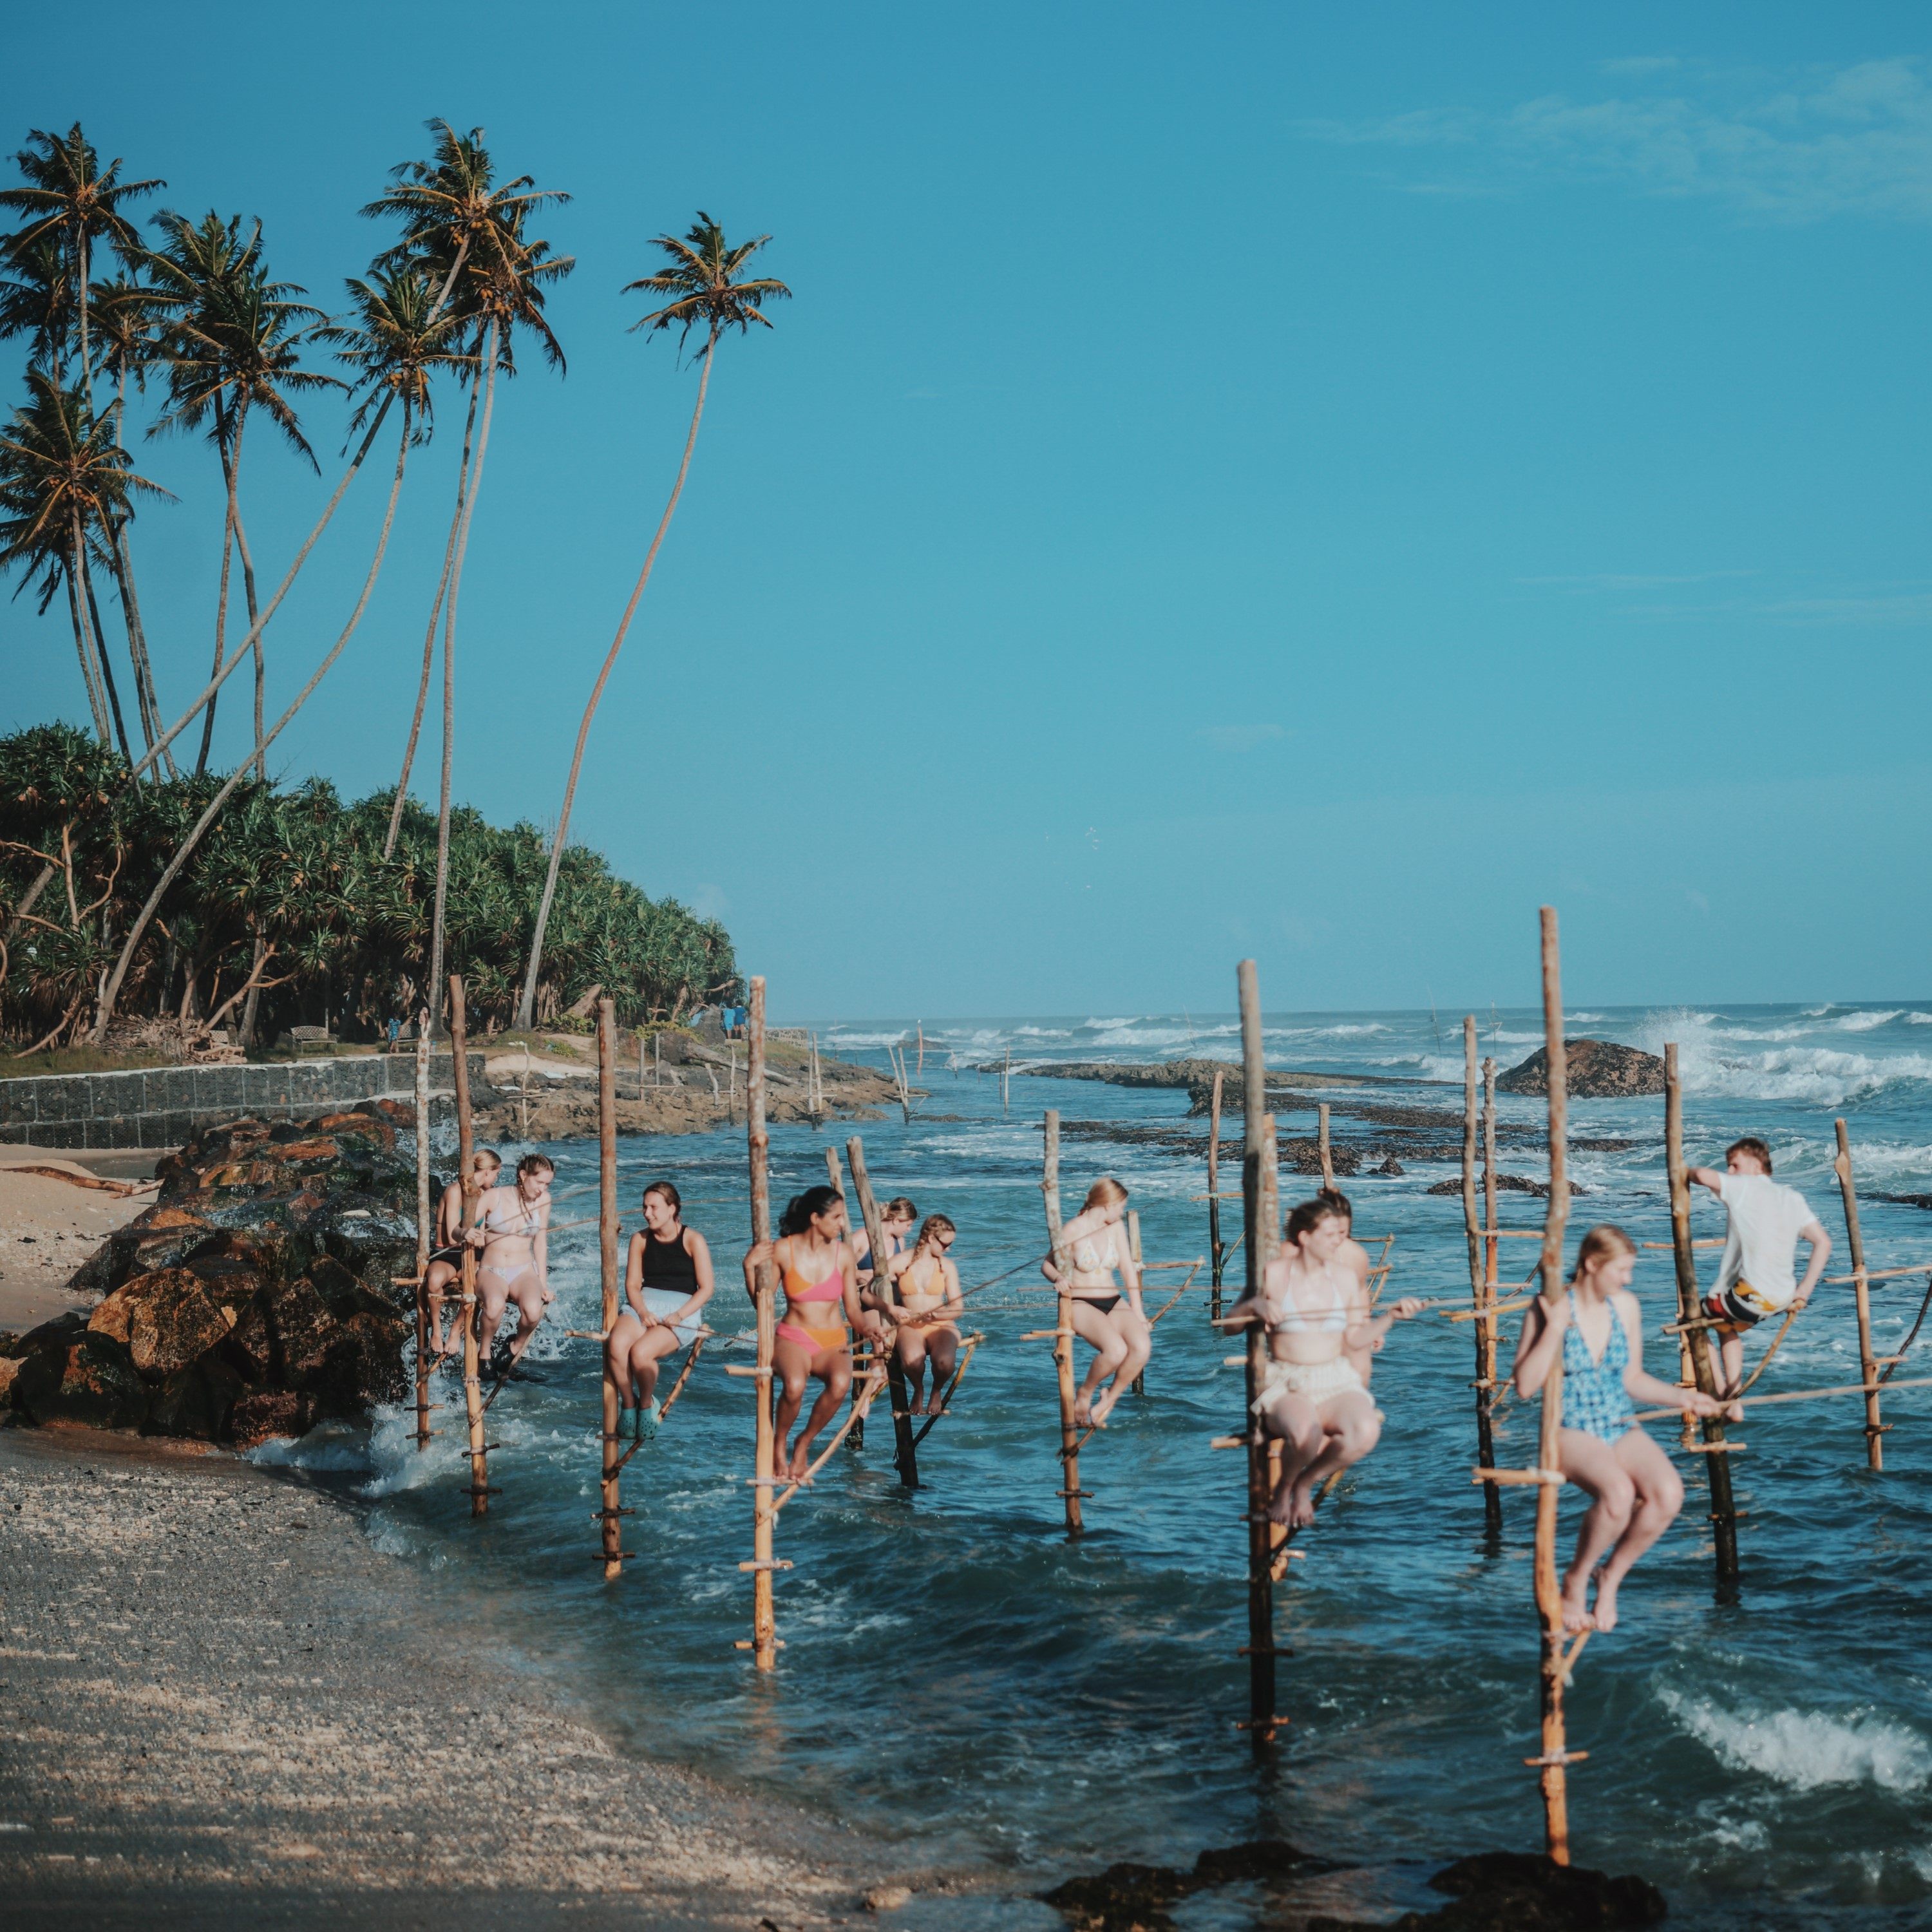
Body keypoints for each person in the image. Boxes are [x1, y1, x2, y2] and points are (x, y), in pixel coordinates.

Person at [1513, 1224, 1723, 1631]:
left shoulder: (1625, 1306)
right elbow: (1524, 1386)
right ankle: (1576, 1578)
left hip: (1617, 1419)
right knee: (1619, 1494)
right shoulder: (1548, 1308)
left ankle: (1609, 1578)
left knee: (1668, 1495)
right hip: (1568, 1426)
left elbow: (1632, 1380)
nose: (1628, 1280)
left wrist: (1687, 1398)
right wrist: (1555, 1329)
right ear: (1592, 1265)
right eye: (1622, 1270)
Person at [1227, 1197, 1428, 1529]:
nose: (1340, 1242)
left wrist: (1390, 1317)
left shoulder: (1346, 1278)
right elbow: (1230, 1326)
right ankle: (1283, 1491)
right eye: (1332, 1234)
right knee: (1307, 1433)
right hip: (1288, 1383)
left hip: (1335, 1380)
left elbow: (1354, 1340)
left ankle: (1303, 1484)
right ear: (1305, 1237)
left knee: (1366, 1431)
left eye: (1342, 1234)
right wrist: (1256, 1306)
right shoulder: (1273, 1274)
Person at [744, 1184, 883, 1481]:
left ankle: (803, 1442)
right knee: (794, 1385)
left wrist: (870, 1329)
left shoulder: (844, 1255)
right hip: (793, 1338)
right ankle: (779, 1442)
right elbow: (763, 1304)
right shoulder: (783, 1250)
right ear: (815, 1219)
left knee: (842, 1382)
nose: (843, 1224)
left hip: (833, 1341)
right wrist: (748, 1267)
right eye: (837, 1217)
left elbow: (854, 1312)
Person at [1687, 1137, 1831, 1419]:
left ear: (1756, 1165)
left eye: (1734, 1164)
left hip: (1751, 1296)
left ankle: (1725, 1398)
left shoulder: (1744, 1186)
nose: (1729, 1171)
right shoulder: (1792, 1197)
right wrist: (1804, 1290)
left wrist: (1683, 1172)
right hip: (1783, 1297)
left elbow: (1703, 1176)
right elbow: (1823, 1243)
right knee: (1725, 1326)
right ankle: (1734, 1393)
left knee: (1695, 1321)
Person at [605, 1181, 715, 1441]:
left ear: (672, 1209)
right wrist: (642, 1312)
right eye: (645, 1207)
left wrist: (679, 1315)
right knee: (617, 1345)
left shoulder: (693, 1239)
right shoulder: (640, 1239)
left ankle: (646, 1404)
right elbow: (632, 1284)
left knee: (641, 1354)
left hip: (681, 1309)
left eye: (654, 1207)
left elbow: (706, 1288)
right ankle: (628, 1403)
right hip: (644, 1304)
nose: (647, 1213)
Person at [1042, 1177, 1150, 1429]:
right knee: (1115, 1351)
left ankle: (1109, 1399)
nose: (1123, 1211)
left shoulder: (1115, 1227)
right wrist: (1057, 1277)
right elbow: (1046, 1264)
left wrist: (1138, 1310)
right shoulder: (1071, 1229)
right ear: (1108, 1203)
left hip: (1113, 1300)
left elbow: (1126, 1268)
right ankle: (1086, 1392)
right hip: (1081, 1302)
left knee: (1142, 1348)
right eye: (1121, 1206)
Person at [474, 1153, 555, 1375]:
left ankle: (516, 1344)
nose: (542, 1189)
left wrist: (543, 1283)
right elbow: (465, 1227)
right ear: (523, 1175)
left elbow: (540, 1243)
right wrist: (469, 1232)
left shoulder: (544, 1200)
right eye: (539, 1182)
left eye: (548, 1184)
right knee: (494, 1306)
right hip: (492, 1269)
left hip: (524, 1270)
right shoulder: (494, 1196)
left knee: (533, 1311)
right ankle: (484, 1352)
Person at [878, 1214, 963, 1414]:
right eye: (945, 1244)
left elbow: (958, 1307)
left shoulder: (947, 1267)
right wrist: (892, 1309)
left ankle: (936, 1390)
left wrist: (937, 1315)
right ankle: (919, 1389)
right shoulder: (901, 1262)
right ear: (932, 1238)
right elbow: (868, 1292)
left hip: (940, 1325)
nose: (948, 1249)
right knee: (912, 1361)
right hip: (910, 1326)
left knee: (944, 1363)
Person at [423, 1149, 501, 1360]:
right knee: (434, 1281)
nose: (495, 1180)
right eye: (496, 1174)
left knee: (478, 1281)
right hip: (447, 1253)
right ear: (487, 1172)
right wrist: (474, 1237)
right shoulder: (454, 1191)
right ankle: (437, 1330)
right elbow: (451, 1235)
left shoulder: (486, 1196)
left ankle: (455, 1331)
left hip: (473, 1255)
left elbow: (484, 1235)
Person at [851, 1195, 917, 1287]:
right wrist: (862, 1275)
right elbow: (837, 1265)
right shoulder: (863, 1236)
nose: (909, 1229)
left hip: (892, 1293)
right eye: (908, 1225)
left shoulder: (899, 1242)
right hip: (866, 1295)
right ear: (897, 1221)